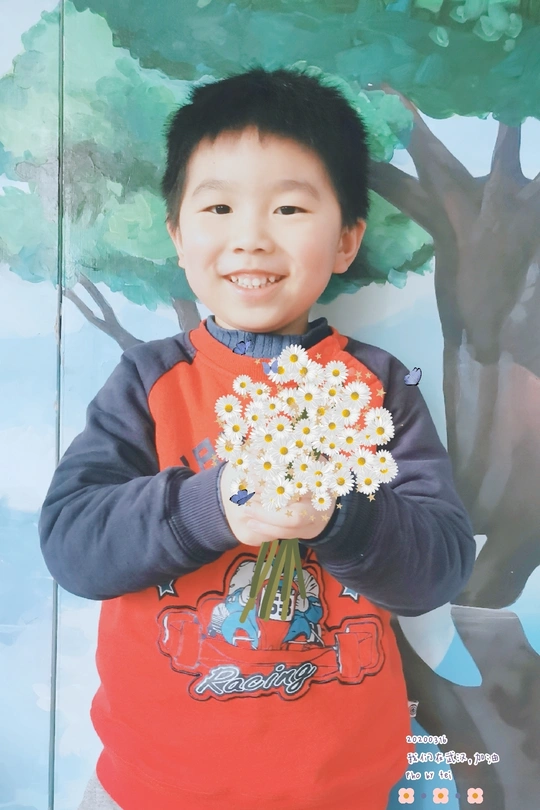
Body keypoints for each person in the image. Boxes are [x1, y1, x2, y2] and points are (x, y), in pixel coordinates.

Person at [39, 65, 476, 810]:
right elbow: (72, 544)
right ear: (178, 236)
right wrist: (216, 506)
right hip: (151, 785)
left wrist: (339, 517)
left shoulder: (380, 390)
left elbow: (438, 568)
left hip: (344, 787)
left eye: (289, 209)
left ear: (347, 240)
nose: (250, 239)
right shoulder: (148, 382)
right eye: (218, 207)